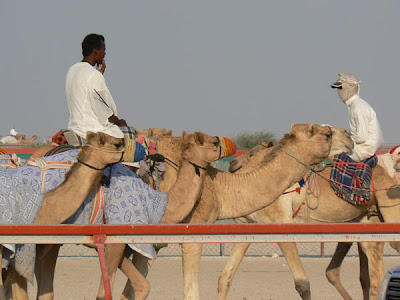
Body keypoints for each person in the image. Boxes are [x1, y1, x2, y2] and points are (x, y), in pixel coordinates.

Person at [65, 33, 127, 145]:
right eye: (104, 50)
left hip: (74, 127)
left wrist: (99, 75)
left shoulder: (72, 70)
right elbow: (104, 112)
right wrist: (119, 122)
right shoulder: (93, 75)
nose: (105, 54)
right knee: (130, 136)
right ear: (96, 51)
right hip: (90, 130)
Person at [331, 72, 384, 162]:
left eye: (341, 88)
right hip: (362, 147)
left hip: (364, 149)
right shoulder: (355, 105)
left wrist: (344, 139)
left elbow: (361, 137)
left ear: (350, 88)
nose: (339, 92)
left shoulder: (358, 107)